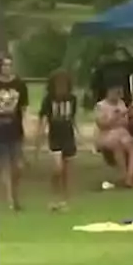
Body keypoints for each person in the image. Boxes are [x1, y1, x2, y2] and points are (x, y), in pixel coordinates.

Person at [39, 70, 80, 211]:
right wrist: (39, 138)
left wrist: (79, 134)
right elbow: (43, 118)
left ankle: (65, 200)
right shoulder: (48, 99)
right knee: (58, 168)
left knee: (68, 171)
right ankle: (53, 196)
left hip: (68, 136)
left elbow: (73, 118)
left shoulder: (72, 99)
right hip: (55, 136)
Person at [0, 56, 29, 210]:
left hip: (15, 129)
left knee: (18, 166)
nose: (7, 68)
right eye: (4, 65)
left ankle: (15, 195)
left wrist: (26, 124)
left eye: (10, 65)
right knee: (4, 165)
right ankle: (10, 199)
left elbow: (23, 107)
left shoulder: (19, 84)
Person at [94, 84, 133, 189]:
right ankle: (124, 175)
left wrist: (127, 114)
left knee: (131, 143)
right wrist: (115, 117)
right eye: (115, 92)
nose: (117, 95)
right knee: (116, 143)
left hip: (122, 132)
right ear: (108, 92)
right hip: (107, 134)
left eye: (119, 92)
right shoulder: (100, 106)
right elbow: (102, 125)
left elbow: (125, 122)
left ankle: (130, 177)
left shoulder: (121, 103)